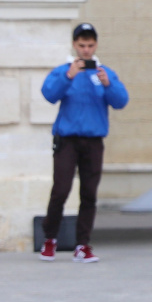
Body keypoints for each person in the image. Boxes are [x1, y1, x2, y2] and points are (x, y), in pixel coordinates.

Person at [38, 21, 129, 262]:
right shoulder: (64, 70)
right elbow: (49, 94)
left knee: (89, 194)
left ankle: (82, 244)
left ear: (96, 45)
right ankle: (50, 238)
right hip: (67, 140)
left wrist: (108, 85)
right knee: (61, 190)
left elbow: (121, 101)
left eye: (90, 45)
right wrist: (68, 76)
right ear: (74, 45)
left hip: (93, 141)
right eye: (81, 45)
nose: (86, 51)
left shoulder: (104, 73)